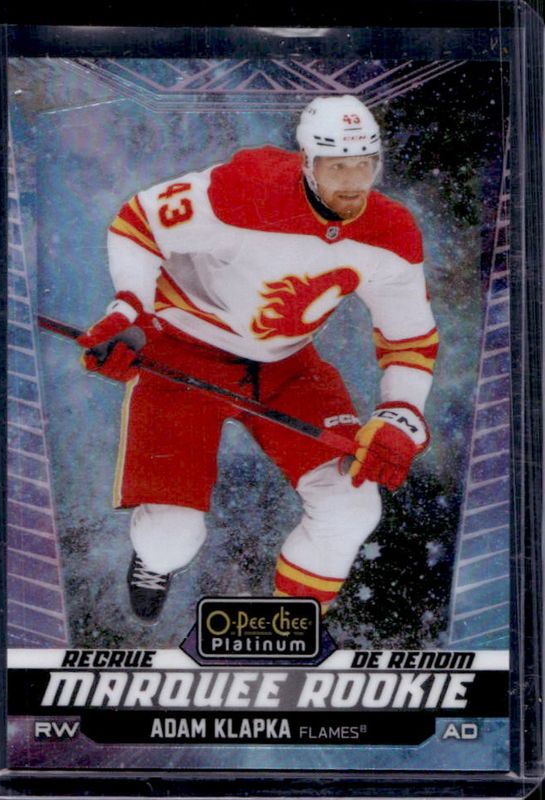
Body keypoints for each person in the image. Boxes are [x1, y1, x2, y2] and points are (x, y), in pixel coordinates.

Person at [77, 95, 439, 624]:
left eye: (365, 165)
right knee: (170, 538)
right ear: (307, 161)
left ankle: (291, 628)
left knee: (353, 504)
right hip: (184, 355)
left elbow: (410, 337)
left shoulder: (392, 230)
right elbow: (139, 223)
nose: (352, 182)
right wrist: (130, 308)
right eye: (337, 166)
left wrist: (400, 414)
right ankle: (155, 559)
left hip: (287, 365)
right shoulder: (246, 188)